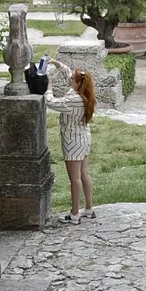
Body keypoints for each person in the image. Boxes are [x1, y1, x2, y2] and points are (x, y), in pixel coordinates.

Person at [45, 58, 97, 224]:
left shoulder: (73, 100)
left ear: (77, 83)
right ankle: (89, 209)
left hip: (72, 141)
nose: (69, 78)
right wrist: (55, 62)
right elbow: (68, 71)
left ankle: (75, 214)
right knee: (85, 173)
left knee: (75, 178)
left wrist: (49, 87)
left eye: (72, 78)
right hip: (83, 138)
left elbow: (51, 102)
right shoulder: (84, 94)